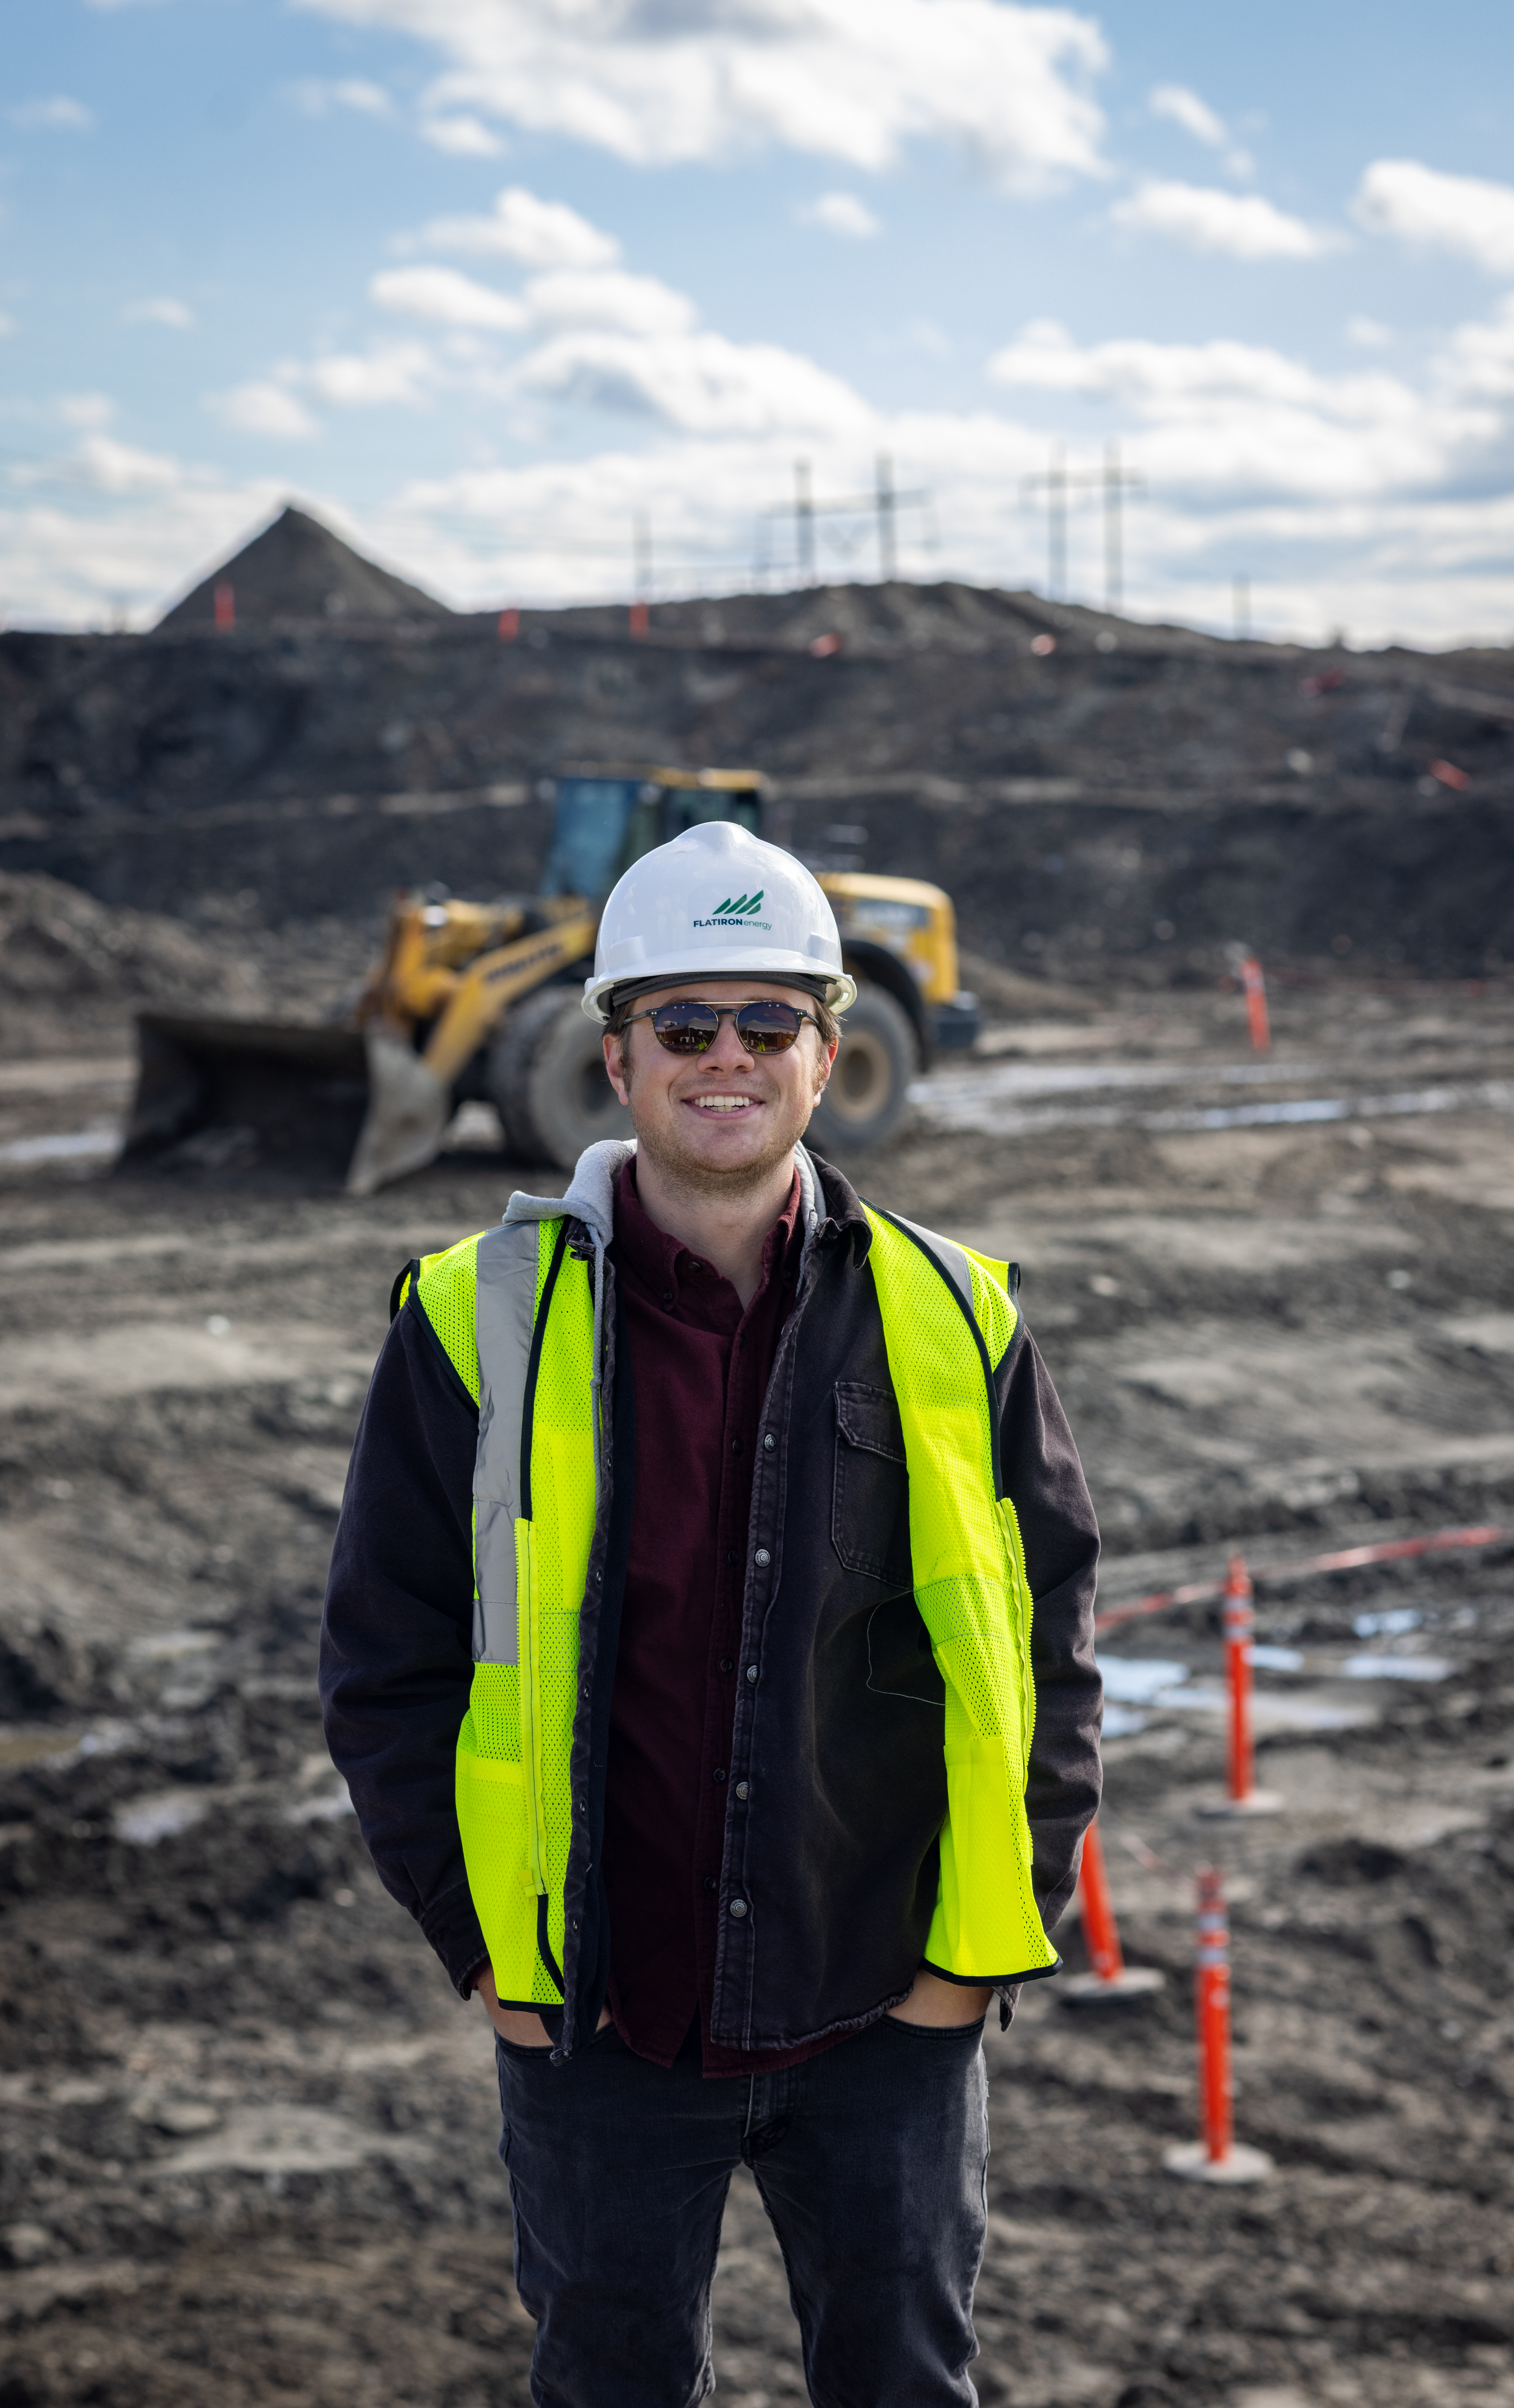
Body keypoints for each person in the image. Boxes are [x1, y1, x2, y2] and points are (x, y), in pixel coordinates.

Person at [321, 817, 1102, 2408]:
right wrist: (485, 1950)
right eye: (684, 1023)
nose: (724, 1057)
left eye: (769, 1024)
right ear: (616, 1057)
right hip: (600, 2017)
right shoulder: (476, 1318)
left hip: (884, 2005)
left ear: (828, 1054)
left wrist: (974, 1960)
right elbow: (385, 1659)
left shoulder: (955, 1314)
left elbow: (1049, 1645)